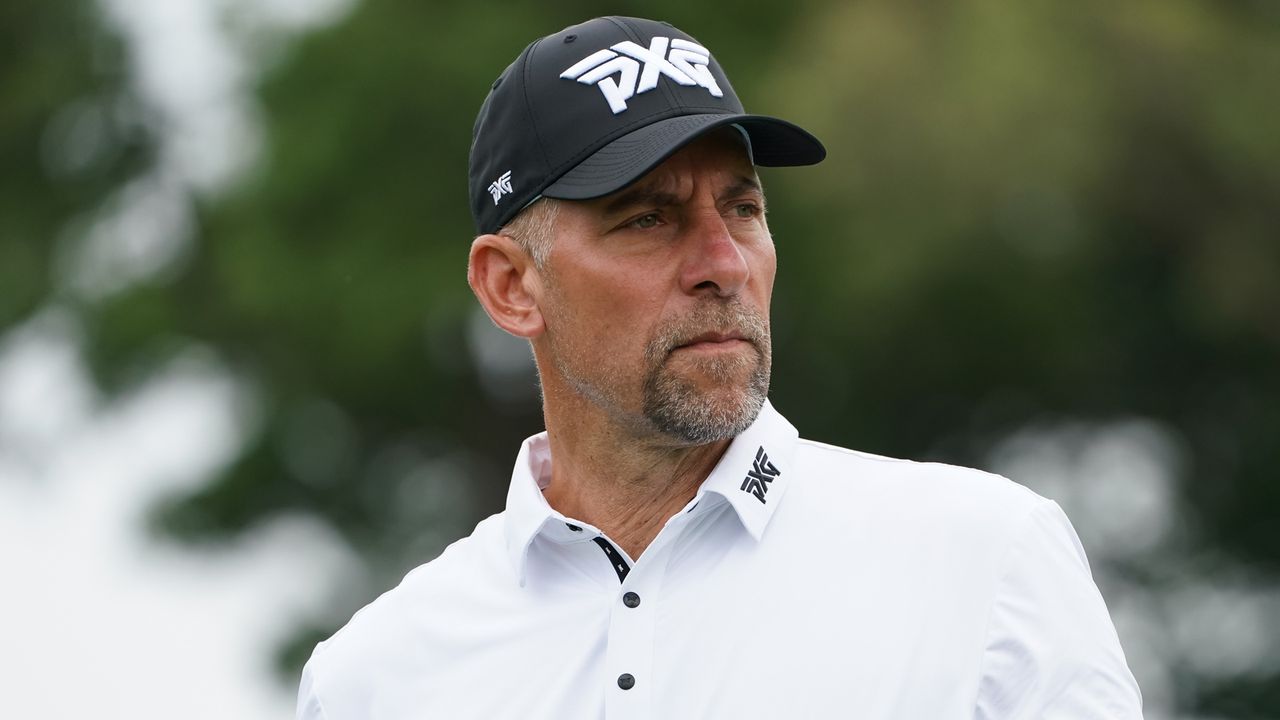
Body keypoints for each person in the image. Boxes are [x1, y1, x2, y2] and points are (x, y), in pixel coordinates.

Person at [296, 15, 1142, 719]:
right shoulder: (376, 678)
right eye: (648, 219)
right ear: (512, 286)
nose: (725, 262)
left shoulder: (984, 558)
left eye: (742, 207)